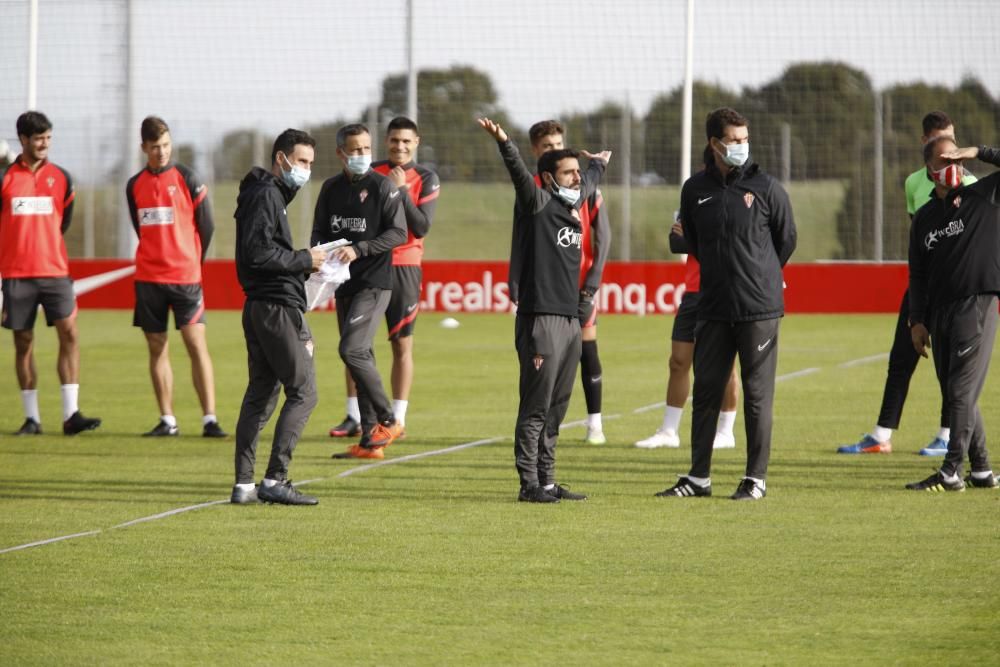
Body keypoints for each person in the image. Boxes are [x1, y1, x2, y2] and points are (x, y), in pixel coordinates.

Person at [656, 107, 796, 501]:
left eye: (744, 139)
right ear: (714, 144)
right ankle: (698, 478)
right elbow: (691, 242)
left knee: (756, 394)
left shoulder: (766, 187)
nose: (741, 146)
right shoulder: (694, 189)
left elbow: (787, 239)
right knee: (706, 392)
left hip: (759, 310)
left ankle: (755, 479)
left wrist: (760, 274)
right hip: (712, 307)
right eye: (733, 140)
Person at [477, 116, 611, 504]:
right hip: (541, 320)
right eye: (567, 173)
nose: (575, 179)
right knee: (535, 407)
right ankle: (529, 484)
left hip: (571, 320)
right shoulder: (536, 203)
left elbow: (590, 181)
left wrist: (598, 163)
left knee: (557, 407)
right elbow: (519, 172)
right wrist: (504, 142)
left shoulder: (577, 201)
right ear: (550, 179)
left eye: (575, 173)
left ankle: (548, 481)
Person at [838, 111, 976, 456]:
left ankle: (947, 434)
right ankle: (882, 434)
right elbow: (922, 236)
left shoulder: (973, 185)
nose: (951, 154)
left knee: (951, 366)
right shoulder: (914, 183)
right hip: (922, 286)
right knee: (901, 358)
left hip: (956, 292)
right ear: (926, 145)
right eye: (942, 145)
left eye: (954, 143)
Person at [328, 117, 439, 439]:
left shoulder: (427, 178)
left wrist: (401, 190)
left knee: (401, 343)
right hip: (367, 263)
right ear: (386, 141)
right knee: (355, 343)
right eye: (394, 140)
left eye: (406, 141)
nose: (399, 146)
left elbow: (421, 227)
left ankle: (397, 418)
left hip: (404, 265)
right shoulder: (369, 171)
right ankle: (354, 415)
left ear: (416, 142)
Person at [231, 128, 325, 506]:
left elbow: (261, 252)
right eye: (301, 161)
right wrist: (306, 259)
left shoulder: (264, 193)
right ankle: (275, 479)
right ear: (281, 159)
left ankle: (243, 485)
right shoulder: (267, 193)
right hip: (275, 307)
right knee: (304, 392)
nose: (305, 170)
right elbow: (258, 254)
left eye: (310, 164)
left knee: (261, 394)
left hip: (260, 306)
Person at [905, 138, 1000, 492]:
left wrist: (978, 152)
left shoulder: (983, 195)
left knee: (960, 389)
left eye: (956, 157)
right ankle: (981, 471)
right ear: (930, 172)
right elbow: (917, 272)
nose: (954, 164)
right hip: (939, 311)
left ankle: (950, 471)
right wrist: (917, 320)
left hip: (976, 303)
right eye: (945, 159)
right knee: (956, 392)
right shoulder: (925, 217)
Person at [510, 120, 611, 445]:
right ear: (536, 153)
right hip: (543, 292)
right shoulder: (531, 194)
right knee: (542, 367)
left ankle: (594, 422)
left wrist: (593, 279)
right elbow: (519, 238)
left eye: (557, 145)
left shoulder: (582, 187)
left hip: (579, 284)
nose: (553, 150)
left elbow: (603, 235)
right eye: (547, 147)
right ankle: (537, 456)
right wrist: (515, 278)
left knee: (586, 349)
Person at [0, 111, 101, 436]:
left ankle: (71, 414)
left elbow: (63, 220)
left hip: (55, 271)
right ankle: (32, 419)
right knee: (23, 341)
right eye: (38, 138)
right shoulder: (5, 178)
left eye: (48, 138)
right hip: (16, 273)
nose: (44, 144)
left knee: (70, 333)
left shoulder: (62, 177)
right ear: (23, 140)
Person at [126, 116, 226, 438]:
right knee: (157, 347)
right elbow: (140, 226)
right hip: (148, 279)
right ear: (143, 147)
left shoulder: (187, 177)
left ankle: (209, 418)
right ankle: (167, 420)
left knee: (195, 344)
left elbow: (207, 225)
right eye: (155, 147)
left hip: (186, 278)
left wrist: (194, 261)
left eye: (166, 145)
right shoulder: (134, 185)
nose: (162, 152)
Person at [312, 123, 407, 460]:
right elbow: (319, 231)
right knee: (360, 356)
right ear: (340, 153)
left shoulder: (383, 187)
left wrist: (360, 249)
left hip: (374, 283)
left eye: (366, 149)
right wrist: (317, 258)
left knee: (351, 350)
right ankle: (370, 441)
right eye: (354, 150)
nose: (361, 155)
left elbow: (399, 234)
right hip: (342, 283)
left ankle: (388, 419)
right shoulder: (330, 189)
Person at [635, 211, 740, 450]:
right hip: (693, 293)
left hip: (725, 289)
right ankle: (669, 431)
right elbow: (676, 243)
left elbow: (734, 242)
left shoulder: (734, 196)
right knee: (678, 361)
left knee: (725, 362)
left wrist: (695, 238)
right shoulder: (694, 194)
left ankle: (725, 431)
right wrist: (711, 240)